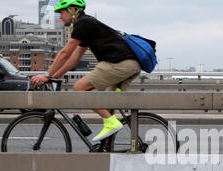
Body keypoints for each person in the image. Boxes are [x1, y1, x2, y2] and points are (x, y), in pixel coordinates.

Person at [30, 0, 141, 142]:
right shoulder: (87, 25)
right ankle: (107, 146)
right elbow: (74, 59)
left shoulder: (83, 23)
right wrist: (54, 77)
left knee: (79, 88)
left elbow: (65, 53)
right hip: (130, 65)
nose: (60, 17)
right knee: (108, 108)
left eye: (61, 12)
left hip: (120, 64)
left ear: (72, 10)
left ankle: (111, 123)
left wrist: (47, 75)